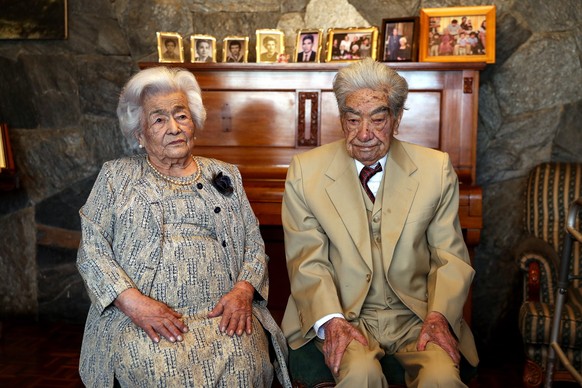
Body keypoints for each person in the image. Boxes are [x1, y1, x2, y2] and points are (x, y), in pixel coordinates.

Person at [77, 66, 291, 388]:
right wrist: (134, 304)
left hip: (222, 317)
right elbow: (92, 251)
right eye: (159, 119)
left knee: (245, 365)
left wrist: (243, 290)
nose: (174, 127)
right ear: (139, 134)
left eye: (181, 115)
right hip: (143, 320)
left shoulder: (225, 174)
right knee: (157, 371)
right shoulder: (115, 178)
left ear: (194, 123)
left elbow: (253, 243)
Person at [280, 58, 479, 387]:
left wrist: (438, 316)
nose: (364, 134)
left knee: (441, 379)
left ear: (397, 118)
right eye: (353, 118)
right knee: (361, 375)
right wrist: (332, 320)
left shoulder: (435, 169)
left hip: (416, 316)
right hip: (345, 314)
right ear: (342, 119)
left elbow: (450, 256)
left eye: (377, 118)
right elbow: (306, 260)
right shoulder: (306, 172)